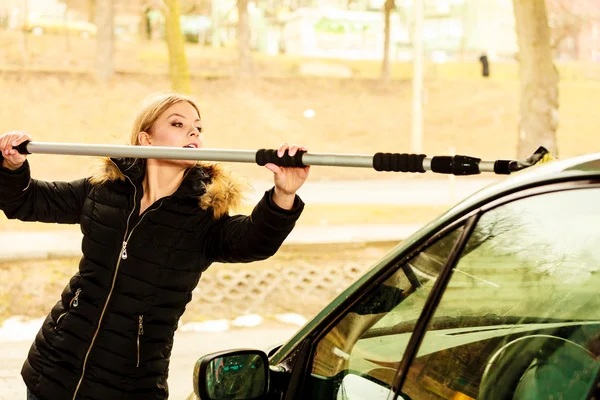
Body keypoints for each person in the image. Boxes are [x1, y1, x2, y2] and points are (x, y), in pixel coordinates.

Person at [0, 93, 310, 400]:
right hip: (52, 372)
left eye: (198, 129)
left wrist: (284, 194)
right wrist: (12, 166)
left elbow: (256, 241)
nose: (193, 133)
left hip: (129, 386)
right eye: (178, 123)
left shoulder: (203, 217)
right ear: (146, 140)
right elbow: (24, 202)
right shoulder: (103, 192)